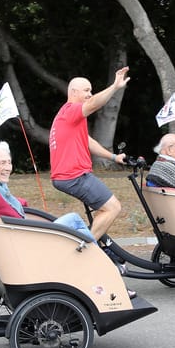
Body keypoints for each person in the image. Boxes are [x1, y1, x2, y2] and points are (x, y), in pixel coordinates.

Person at [0, 116, 134, 298]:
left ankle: (100, 259)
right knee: (74, 221)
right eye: (1, 163)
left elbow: (5, 203)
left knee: (75, 228)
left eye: (9, 162)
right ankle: (105, 270)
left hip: (21, 238)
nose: (7, 167)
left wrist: (21, 204)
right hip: (26, 244)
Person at [49, 67, 130, 243]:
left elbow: (87, 141)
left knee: (103, 210)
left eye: (90, 91)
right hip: (74, 176)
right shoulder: (71, 110)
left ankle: (90, 243)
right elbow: (94, 103)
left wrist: (113, 157)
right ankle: (85, 249)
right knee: (112, 207)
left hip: (68, 176)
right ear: (73, 92)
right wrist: (115, 87)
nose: (89, 94)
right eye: (86, 90)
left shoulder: (69, 116)